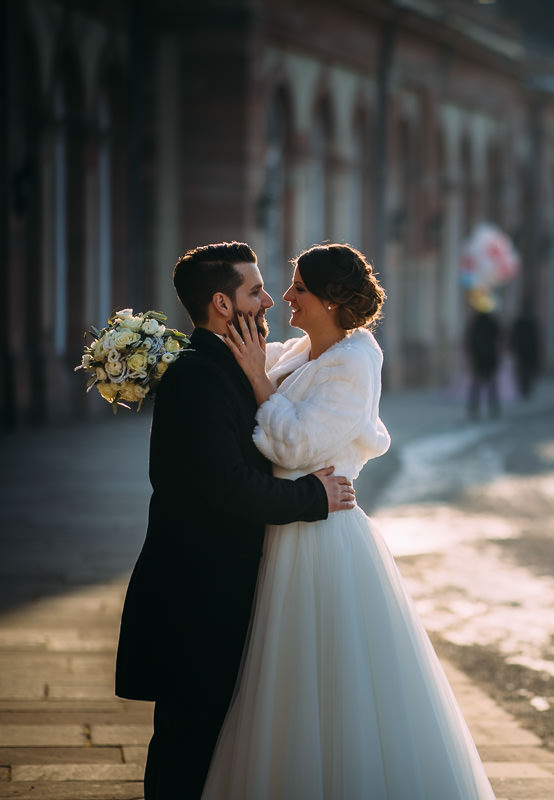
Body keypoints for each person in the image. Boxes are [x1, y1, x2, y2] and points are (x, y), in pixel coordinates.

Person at [204, 243, 496, 799]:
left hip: (321, 539)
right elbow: (245, 359)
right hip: (288, 525)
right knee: (284, 681)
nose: (286, 297)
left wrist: (258, 380)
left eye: (299, 288)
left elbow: (296, 446)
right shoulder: (305, 350)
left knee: (327, 681)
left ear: (331, 300)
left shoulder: (355, 363)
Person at [114, 242, 356, 800]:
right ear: (222, 304)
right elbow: (227, 485)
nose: (270, 301)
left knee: (208, 744)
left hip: (217, 590)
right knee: (188, 745)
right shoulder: (200, 377)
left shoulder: (231, 366)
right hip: (198, 597)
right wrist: (312, 498)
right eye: (256, 291)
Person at [465, 302, 503, 419]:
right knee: (491, 384)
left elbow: (470, 342)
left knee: (477, 384)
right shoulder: (492, 323)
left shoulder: (475, 324)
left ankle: (474, 408)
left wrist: (472, 356)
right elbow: (499, 337)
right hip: (490, 357)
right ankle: (493, 408)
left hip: (479, 358)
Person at [510, 304, 542, 399]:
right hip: (528, 350)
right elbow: (535, 338)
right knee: (527, 370)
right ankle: (525, 388)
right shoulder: (530, 322)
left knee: (523, 370)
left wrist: (514, 347)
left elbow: (514, 336)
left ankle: (524, 388)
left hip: (521, 350)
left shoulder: (520, 322)